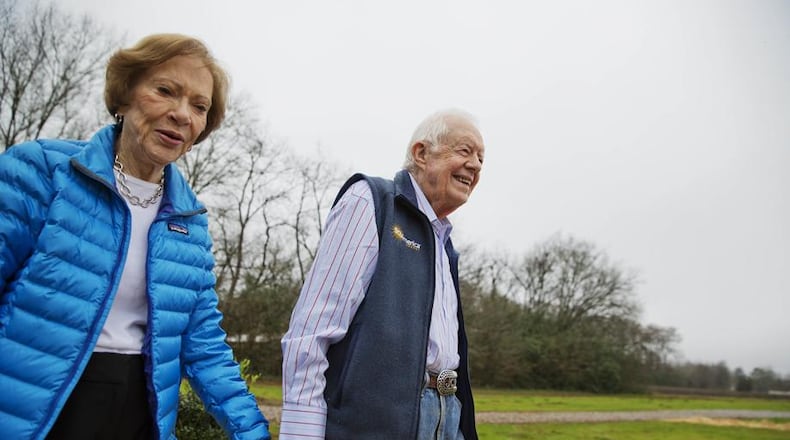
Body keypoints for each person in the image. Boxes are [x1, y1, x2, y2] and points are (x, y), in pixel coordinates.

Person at [0, 34, 270, 439]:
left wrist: (253, 432)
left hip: (137, 415)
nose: (182, 114)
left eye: (200, 107)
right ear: (124, 96)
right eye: (165, 91)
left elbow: (204, 346)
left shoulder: (189, 222)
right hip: (39, 413)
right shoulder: (40, 170)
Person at [280, 109, 485, 439]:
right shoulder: (371, 201)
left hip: (448, 418)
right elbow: (311, 333)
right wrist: (301, 434)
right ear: (421, 153)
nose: (475, 165)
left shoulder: (446, 247)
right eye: (464, 151)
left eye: (480, 158)